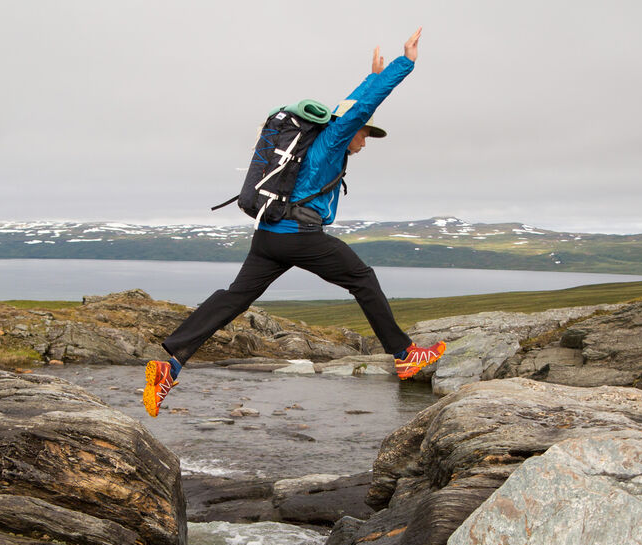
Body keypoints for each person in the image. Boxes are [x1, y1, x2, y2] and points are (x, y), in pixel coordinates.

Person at [143, 27, 445, 418]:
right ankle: (404, 354)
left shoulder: (316, 144)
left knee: (235, 297)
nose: (366, 141)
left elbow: (350, 106)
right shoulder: (333, 141)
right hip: (299, 236)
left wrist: (370, 76)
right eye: (366, 134)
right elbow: (359, 108)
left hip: (268, 236)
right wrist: (405, 63)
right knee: (363, 278)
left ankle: (170, 364)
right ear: (353, 129)